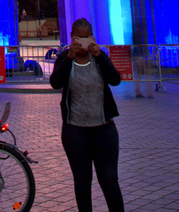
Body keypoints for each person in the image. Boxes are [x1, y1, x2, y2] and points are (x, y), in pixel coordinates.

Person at [49, 18, 126, 212]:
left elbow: (115, 80)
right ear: (72, 37)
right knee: (82, 182)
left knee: (109, 180)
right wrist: (69, 58)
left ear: (92, 37)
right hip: (75, 130)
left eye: (86, 38)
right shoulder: (65, 58)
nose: (83, 42)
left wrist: (99, 55)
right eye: (78, 38)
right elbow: (56, 82)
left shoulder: (99, 57)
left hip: (104, 129)